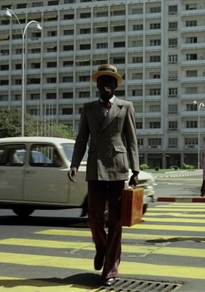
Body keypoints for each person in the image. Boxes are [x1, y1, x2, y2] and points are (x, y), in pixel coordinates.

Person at [68, 64, 140, 286]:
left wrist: (135, 169)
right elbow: (81, 139)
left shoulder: (126, 107)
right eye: (102, 81)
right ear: (97, 84)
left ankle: (110, 270)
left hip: (118, 168)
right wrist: (74, 164)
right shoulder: (88, 108)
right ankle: (101, 247)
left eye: (110, 81)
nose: (106, 84)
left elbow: (132, 140)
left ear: (115, 84)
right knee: (94, 217)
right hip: (95, 167)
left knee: (116, 221)